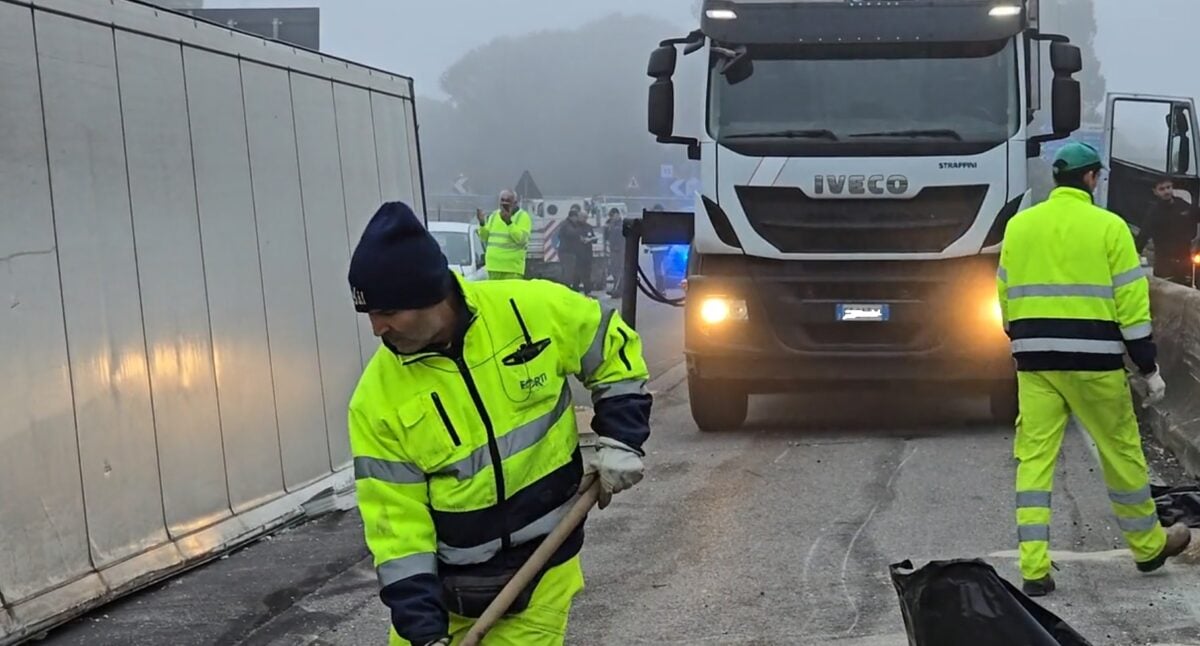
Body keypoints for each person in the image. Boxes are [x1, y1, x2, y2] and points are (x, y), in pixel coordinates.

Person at [347, 202, 653, 646]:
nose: (377, 328)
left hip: (541, 570)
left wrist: (622, 438)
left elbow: (610, 345)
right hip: (444, 594)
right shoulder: (376, 399)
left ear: (429, 294)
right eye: (369, 315)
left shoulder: (526, 310)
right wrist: (424, 632)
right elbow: (396, 528)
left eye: (386, 312)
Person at [997, 142, 1190, 597]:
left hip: (1036, 363)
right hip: (1094, 364)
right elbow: (1131, 303)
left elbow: (1004, 295)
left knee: (1034, 460)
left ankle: (1034, 568)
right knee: (1120, 452)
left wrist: (1025, 343)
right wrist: (1148, 366)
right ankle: (1147, 548)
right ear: (1091, 179)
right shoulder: (1110, 228)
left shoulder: (1020, 226)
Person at [1135, 176, 1200, 284]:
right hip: (1164, 266)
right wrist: (1135, 254)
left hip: (1185, 265)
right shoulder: (1153, 213)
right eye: (1162, 189)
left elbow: (1196, 214)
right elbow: (1143, 236)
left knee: (1185, 296)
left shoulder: (1181, 204)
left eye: (1168, 187)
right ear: (1155, 192)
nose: (1166, 191)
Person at [476, 189, 532, 280]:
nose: (504, 203)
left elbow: (522, 240)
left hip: (512, 269)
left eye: (508, 201)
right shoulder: (494, 215)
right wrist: (482, 223)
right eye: (502, 200)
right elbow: (484, 237)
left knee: (510, 294)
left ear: (515, 202)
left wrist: (509, 223)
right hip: (493, 267)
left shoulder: (523, 217)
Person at [558, 206, 595, 293]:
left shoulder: (585, 226)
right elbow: (571, 233)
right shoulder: (567, 224)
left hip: (583, 254)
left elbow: (593, 237)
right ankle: (568, 291)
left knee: (583, 273)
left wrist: (589, 239)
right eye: (579, 217)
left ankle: (584, 291)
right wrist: (581, 235)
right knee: (570, 274)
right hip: (570, 253)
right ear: (574, 217)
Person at [604, 208, 625, 297]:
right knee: (614, 270)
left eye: (612, 216)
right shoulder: (611, 224)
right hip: (613, 250)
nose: (611, 218)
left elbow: (620, 237)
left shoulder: (622, 224)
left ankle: (618, 289)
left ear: (617, 214)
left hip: (620, 250)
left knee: (619, 270)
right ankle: (616, 288)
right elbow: (607, 237)